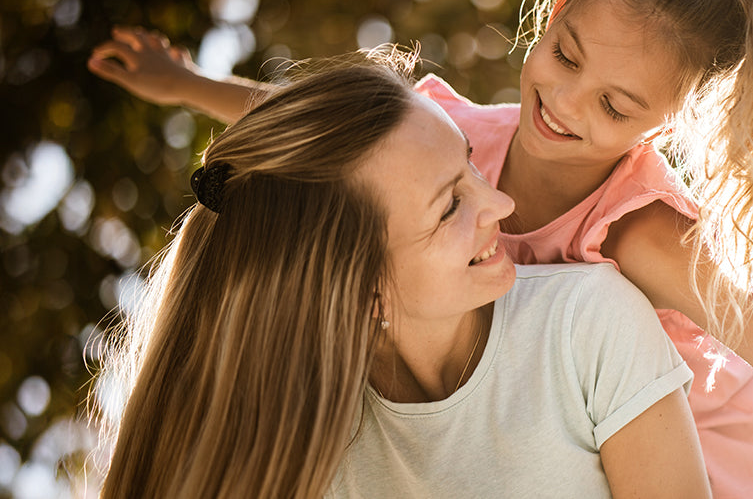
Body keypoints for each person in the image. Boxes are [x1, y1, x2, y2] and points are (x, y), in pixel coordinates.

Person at [91, 0, 753, 496]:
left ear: (671, 120)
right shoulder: (453, 138)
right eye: (566, 56)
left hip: (742, 474)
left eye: (617, 106)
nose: (567, 106)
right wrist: (183, 84)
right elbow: (325, 140)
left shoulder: (639, 237)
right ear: (560, 5)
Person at [95, 54, 711, 498]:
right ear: (362, 292)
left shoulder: (589, 323)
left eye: (470, 165)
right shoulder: (313, 449)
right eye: (449, 207)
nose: (501, 205)